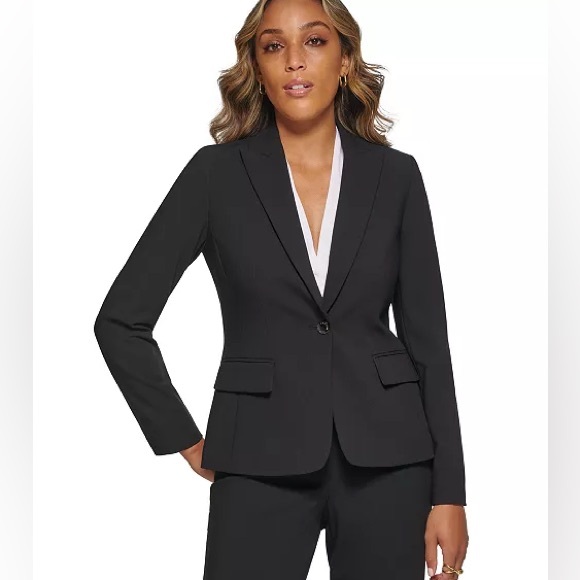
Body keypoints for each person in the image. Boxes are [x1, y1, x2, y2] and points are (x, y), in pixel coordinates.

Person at [94, 0, 469, 578]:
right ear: (258, 68)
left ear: (345, 60)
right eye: (274, 46)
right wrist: (183, 438)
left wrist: (449, 493)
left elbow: (428, 344)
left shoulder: (396, 177)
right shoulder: (214, 175)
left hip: (390, 461)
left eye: (314, 41)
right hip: (256, 458)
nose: (295, 60)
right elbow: (121, 321)